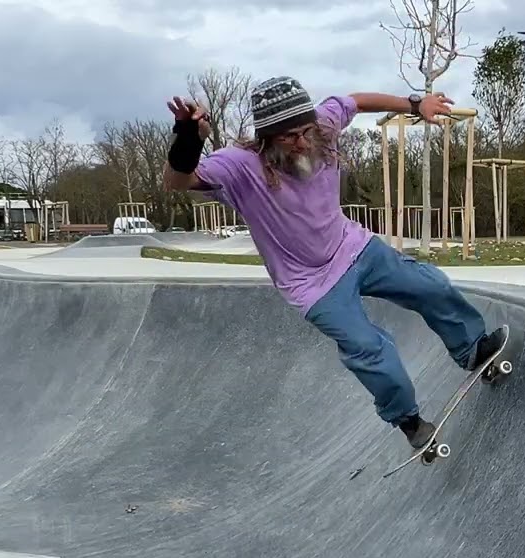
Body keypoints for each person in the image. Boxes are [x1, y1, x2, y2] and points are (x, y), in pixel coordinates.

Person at [162, 76, 505, 450]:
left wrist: (414, 104)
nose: (303, 143)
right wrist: (188, 139)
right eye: (289, 137)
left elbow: (355, 100)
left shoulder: (323, 127)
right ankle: (408, 420)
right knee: (370, 348)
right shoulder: (241, 166)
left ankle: (472, 349)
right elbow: (178, 181)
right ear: (266, 139)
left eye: (306, 131)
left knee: (430, 285)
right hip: (312, 285)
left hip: (354, 247)